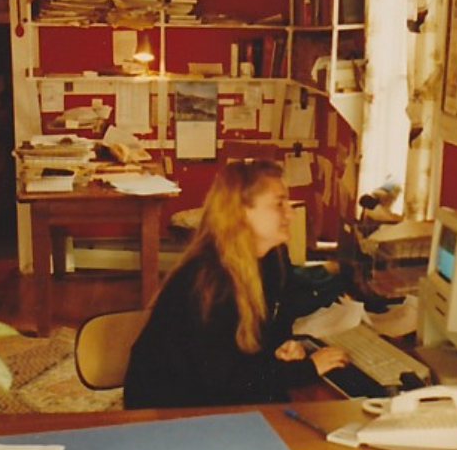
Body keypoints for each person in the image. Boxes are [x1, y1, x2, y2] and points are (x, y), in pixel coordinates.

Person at [124, 159, 348, 409]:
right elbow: (224, 380)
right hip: (169, 409)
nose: (291, 212)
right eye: (278, 203)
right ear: (241, 212)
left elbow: (267, 332)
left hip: (217, 398)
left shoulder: (273, 259)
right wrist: (308, 368)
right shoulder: (207, 279)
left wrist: (282, 349)